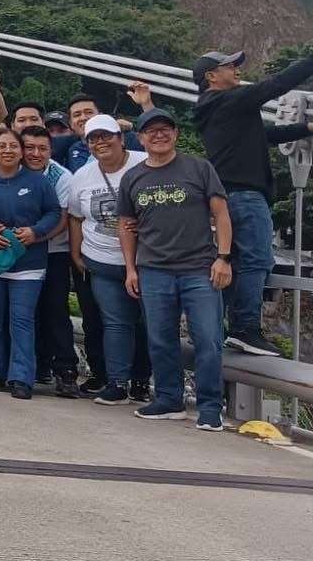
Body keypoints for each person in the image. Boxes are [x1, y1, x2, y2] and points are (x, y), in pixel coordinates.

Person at [190, 48, 313, 357]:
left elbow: (262, 134)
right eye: (230, 66)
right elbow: (277, 85)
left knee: (234, 263)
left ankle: (223, 327)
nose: (237, 70)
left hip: (226, 197)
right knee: (258, 260)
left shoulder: (214, 108)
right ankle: (245, 328)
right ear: (211, 76)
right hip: (245, 196)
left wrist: (306, 128)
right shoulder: (229, 100)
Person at [118, 107, 234, 430]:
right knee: (160, 338)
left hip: (199, 268)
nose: (159, 135)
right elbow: (126, 226)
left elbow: (221, 213)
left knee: (208, 338)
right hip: (153, 269)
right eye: (151, 131)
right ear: (140, 138)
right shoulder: (132, 178)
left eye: (165, 129)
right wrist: (130, 269)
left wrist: (223, 258)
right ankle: (169, 399)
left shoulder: (199, 168)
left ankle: (211, 407)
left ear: (176, 134)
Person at [0, 128, 62, 399]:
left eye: (13, 146)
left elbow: (54, 212)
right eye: (1, 146)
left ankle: (21, 377)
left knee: (22, 321)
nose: (7, 150)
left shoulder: (38, 182)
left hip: (28, 264)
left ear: (21, 152)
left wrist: (35, 231)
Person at [66, 114, 151, 406]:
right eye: (93, 139)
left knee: (149, 322)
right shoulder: (82, 176)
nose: (100, 142)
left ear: (120, 137)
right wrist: (76, 253)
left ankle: (145, 381)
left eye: (106, 136)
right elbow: (75, 217)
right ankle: (117, 383)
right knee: (115, 323)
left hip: (146, 260)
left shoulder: (145, 163)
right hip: (102, 259)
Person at [19, 125, 80, 398]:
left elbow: (62, 220)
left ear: (51, 150)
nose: (35, 153)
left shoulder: (61, 176)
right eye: (29, 148)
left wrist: (34, 237)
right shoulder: (11, 170)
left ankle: (66, 371)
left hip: (53, 251)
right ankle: (32, 367)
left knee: (55, 310)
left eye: (42, 148)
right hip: (19, 251)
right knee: (24, 311)